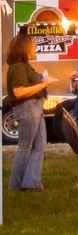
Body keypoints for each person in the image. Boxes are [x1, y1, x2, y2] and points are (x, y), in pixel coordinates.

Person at [6, 29, 51, 192]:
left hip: (35, 107)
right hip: (27, 108)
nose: (35, 48)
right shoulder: (18, 67)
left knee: (40, 145)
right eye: (33, 45)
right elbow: (19, 91)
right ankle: (15, 185)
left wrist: (41, 88)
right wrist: (43, 85)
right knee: (25, 145)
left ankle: (31, 182)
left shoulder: (26, 66)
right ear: (24, 47)